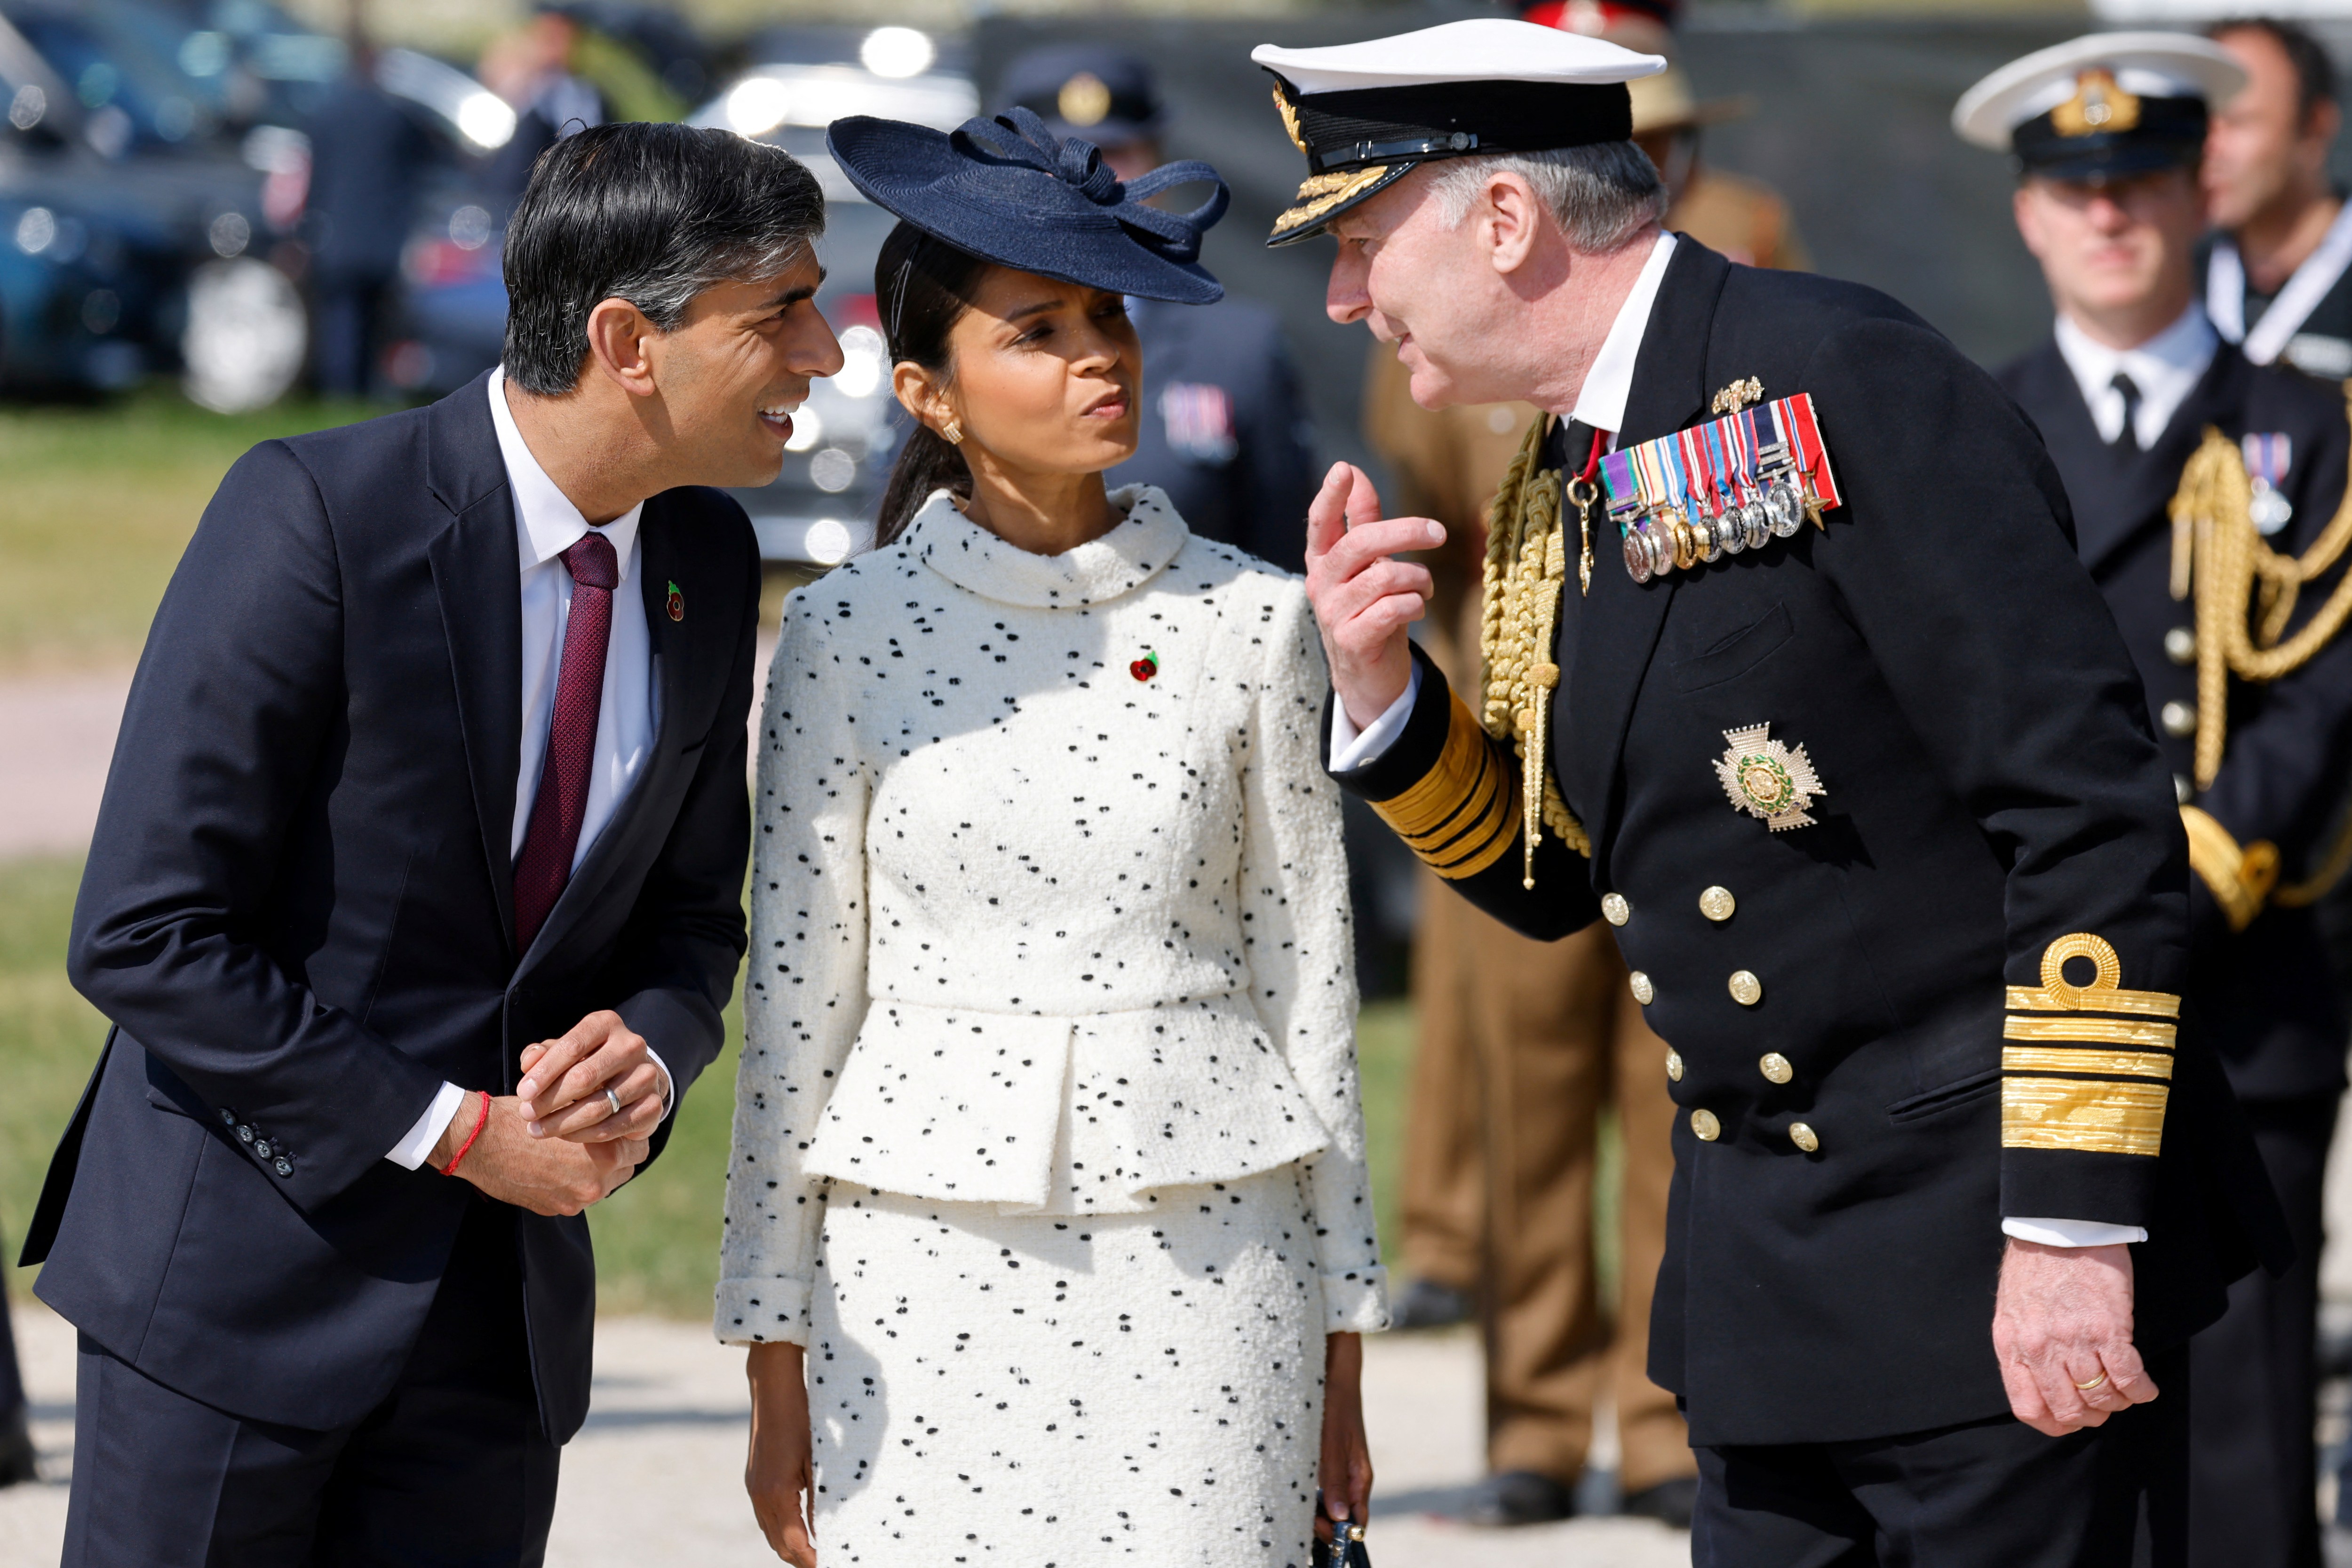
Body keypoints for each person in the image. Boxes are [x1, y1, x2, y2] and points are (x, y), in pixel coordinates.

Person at [1267, 17, 2288, 1562]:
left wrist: (2072, 1228)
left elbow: (2086, 819)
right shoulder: (1565, 471)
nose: (1344, 294)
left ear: (1503, 218)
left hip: (1991, 1258)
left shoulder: (1848, 377)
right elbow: (1562, 876)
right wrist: (1389, 701)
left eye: (1361, 239)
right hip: (1765, 1298)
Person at [23, 122, 838, 1566]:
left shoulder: (706, 562)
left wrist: (647, 1056)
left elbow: (690, 923)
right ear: (625, 340)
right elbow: (145, 931)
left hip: (493, 1340)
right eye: (779, 311)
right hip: (232, 1300)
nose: (824, 354)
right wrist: (459, 1133)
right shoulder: (319, 513)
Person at [722, 105, 1388, 1567]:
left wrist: (1342, 1336)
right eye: (1036, 331)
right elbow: (794, 1008)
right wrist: (771, 1341)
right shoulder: (843, 636)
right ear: (927, 392)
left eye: (1108, 316)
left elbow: (1309, 992)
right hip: (913, 1263)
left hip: (1216, 1257)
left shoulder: (1249, 618)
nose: (1101, 355)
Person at [1368, 2, 1806, 1529]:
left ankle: (1671, 1426)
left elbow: (1764, 450)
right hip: (1508, 725)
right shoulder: (1445, 248)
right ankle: (1536, 1426)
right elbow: (1422, 470)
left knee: (1678, 1082)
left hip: (1682, 722)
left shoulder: (1737, 238)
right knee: (1524, 1099)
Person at [1963, 32, 2352, 1567]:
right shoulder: (1975, 429)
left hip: (2239, 975)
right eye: (2073, 189)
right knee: (2054, 1412)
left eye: (2137, 182)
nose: (2108, 214)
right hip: (2041, 992)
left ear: (2202, 188)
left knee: (2246, 1417)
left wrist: (2183, 874)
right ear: (2027, 217)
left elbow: (2325, 687)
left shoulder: (2308, 425)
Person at [997, 45, 1320, 573]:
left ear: (1157, 160)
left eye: (1113, 155)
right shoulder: (962, 329)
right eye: (1060, 158)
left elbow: (1282, 559)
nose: (1092, 185)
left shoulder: (1241, 347)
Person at [2202, 18, 2352, 381]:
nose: (2211, 148)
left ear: (2315, 126)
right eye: (2199, 124)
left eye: (2237, 122)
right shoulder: (2176, 285)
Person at [302, 25, 436, 397]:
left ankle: (340, 390)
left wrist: (307, 229)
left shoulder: (327, 114)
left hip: (339, 236)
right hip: (382, 237)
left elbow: (316, 179)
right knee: (375, 321)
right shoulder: (396, 118)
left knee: (341, 321)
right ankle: (365, 389)